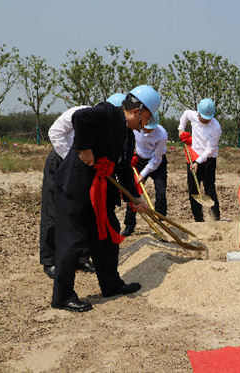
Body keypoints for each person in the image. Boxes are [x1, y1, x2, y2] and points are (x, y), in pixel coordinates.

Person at [51, 85, 160, 312]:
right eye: (146, 118)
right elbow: (81, 117)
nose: (145, 125)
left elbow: (123, 168)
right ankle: (62, 296)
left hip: (100, 195)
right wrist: (85, 149)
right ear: (138, 110)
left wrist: (134, 198)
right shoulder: (109, 113)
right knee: (72, 243)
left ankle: (111, 284)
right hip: (76, 189)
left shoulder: (127, 135)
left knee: (108, 236)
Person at [40, 106, 93, 279]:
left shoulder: (109, 127)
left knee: (81, 211)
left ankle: (81, 257)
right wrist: (70, 160)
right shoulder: (81, 113)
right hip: (60, 161)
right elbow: (54, 132)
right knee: (52, 211)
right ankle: (50, 260)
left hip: (82, 167)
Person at [122, 111, 168, 236]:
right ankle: (129, 226)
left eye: (151, 128)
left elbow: (156, 159)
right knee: (133, 194)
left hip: (157, 163)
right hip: (139, 160)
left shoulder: (162, 135)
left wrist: (143, 174)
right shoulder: (135, 128)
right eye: (146, 127)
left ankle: (161, 224)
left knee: (161, 193)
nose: (148, 130)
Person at [178, 98, 222, 222]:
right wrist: (181, 130)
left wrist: (199, 161)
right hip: (193, 157)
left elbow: (210, 148)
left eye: (208, 118)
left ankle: (215, 220)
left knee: (209, 189)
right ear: (198, 113)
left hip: (208, 160)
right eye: (203, 117)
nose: (205, 120)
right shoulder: (193, 116)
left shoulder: (216, 127)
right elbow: (185, 114)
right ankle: (198, 219)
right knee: (193, 190)